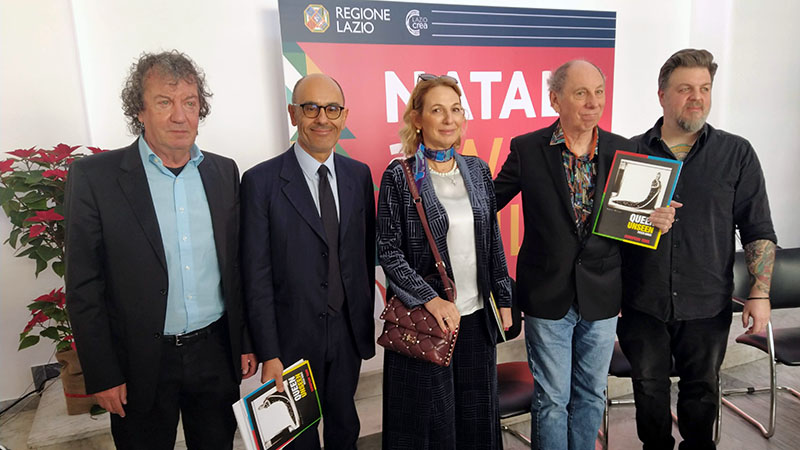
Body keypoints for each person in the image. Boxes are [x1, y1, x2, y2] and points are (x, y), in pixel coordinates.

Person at [64, 50, 257, 449]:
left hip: (214, 354)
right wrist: (102, 372)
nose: (179, 116)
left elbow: (236, 267)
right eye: (164, 102)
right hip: (138, 362)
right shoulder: (96, 178)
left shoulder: (223, 172)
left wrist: (245, 342)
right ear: (139, 110)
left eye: (190, 102)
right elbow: (84, 286)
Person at [493, 60, 677, 450]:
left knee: (592, 393)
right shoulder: (527, 149)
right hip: (546, 294)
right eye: (581, 93)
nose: (593, 103)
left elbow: (634, 225)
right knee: (552, 400)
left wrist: (657, 222)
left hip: (602, 294)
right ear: (555, 99)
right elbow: (488, 204)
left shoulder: (625, 150)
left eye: (599, 92)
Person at [619, 48, 777, 450]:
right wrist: (641, 222)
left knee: (702, 392)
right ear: (662, 95)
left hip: (707, 302)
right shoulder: (632, 153)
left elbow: (757, 228)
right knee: (648, 391)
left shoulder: (736, 153)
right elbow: (611, 234)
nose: (697, 97)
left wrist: (759, 294)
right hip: (642, 302)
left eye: (705, 88)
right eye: (685, 88)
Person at [377, 74, 513, 449]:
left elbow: (492, 239)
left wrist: (503, 297)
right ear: (418, 119)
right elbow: (388, 250)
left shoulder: (478, 170)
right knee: (432, 424)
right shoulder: (400, 175)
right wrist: (431, 299)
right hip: (430, 322)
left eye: (455, 109)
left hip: (476, 319)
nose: (449, 118)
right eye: (437, 110)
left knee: (476, 419)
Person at [241, 73, 375, 450]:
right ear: (293, 113)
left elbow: (364, 257)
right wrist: (269, 352)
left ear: (344, 116)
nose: (322, 118)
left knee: (344, 429)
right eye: (311, 108)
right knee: (298, 441)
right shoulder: (260, 182)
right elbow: (255, 274)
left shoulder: (359, 175)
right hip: (290, 342)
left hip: (347, 334)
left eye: (332, 109)